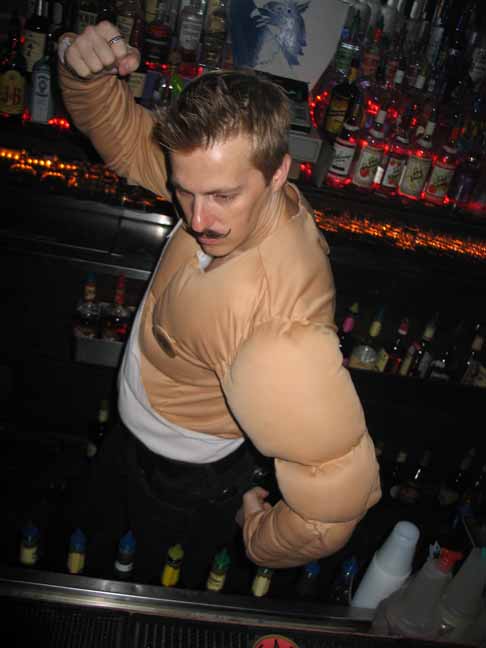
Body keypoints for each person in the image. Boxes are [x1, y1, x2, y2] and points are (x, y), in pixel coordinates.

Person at [55, 21, 381, 589]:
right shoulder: (214, 172)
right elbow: (128, 140)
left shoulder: (277, 327)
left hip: (185, 480)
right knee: (91, 543)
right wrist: (87, 76)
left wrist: (257, 534)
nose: (197, 218)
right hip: (132, 439)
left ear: (278, 173)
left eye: (222, 196)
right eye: (185, 191)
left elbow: (328, 512)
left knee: (142, 583)